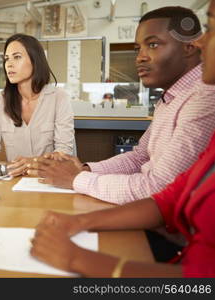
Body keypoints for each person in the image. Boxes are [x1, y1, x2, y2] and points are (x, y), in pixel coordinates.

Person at [30, 1, 215, 277]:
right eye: (138, 48)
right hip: (162, 233)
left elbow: (157, 187)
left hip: (171, 242)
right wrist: (85, 171)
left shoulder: (205, 99)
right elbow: (144, 159)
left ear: (187, 48)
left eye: (152, 45)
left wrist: (76, 179)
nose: (140, 57)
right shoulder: (172, 98)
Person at [0, 34, 75, 177]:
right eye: (7, 59)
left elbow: (64, 152)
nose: (9, 64)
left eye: (17, 57)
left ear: (35, 60)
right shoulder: (1, 100)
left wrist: (32, 162)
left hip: (50, 180)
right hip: (15, 181)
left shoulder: (58, 97)